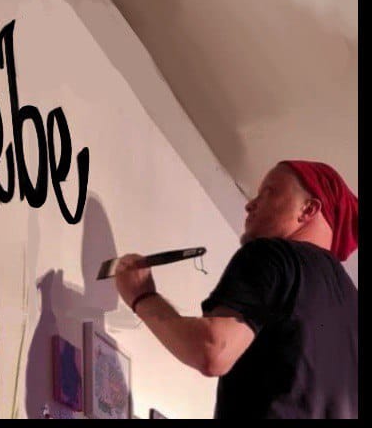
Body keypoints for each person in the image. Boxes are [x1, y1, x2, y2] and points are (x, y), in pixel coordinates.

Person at [114, 160, 358, 419]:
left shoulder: (273, 255)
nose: (250, 204)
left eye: (269, 192)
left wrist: (142, 296)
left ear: (307, 209)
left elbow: (213, 349)